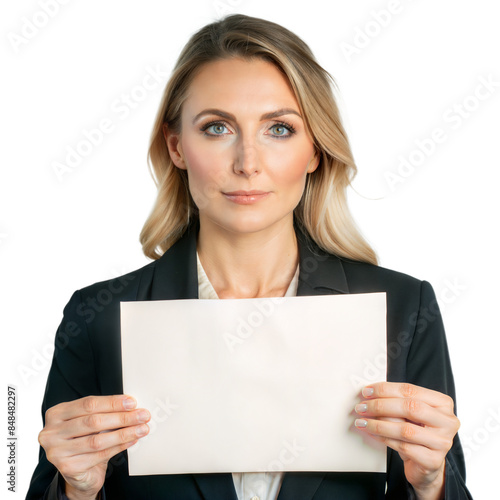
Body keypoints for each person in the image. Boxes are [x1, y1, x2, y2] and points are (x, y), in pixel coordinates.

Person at [27, 13, 472, 500]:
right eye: (217, 127)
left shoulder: (404, 309)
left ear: (315, 151)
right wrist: (76, 490)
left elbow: (441, 486)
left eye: (279, 129)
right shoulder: (98, 319)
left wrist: (432, 484)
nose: (247, 163)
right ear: (177, 146)